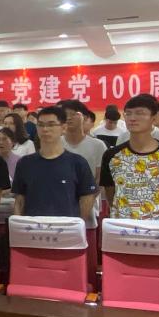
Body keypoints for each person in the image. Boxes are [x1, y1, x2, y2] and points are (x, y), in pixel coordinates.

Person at [100, 94, 159, 221]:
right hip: (123, 225)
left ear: (154, 118)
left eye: (140, 113)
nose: (132, 118)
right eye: (128, 114)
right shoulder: (111, 156)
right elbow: (110, 191)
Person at [11, 106, 96, 219]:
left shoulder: (78, 163)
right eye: (41, 125)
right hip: (33, 226)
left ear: (63, 128)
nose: (45, 129)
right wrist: (19, 222)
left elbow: (87, 198)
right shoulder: (25, 163)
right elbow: (20, 200)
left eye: (51, 125)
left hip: (66, 226)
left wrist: (77, 224)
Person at [59, 98, 107, 229]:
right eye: (65, 115)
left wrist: (87, 200)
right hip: (60, 204)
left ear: (85, 117)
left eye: (73, 114)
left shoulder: (98, 145)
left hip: (89, 205)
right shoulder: (56, 143)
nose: (69, 118)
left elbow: (99, 178)